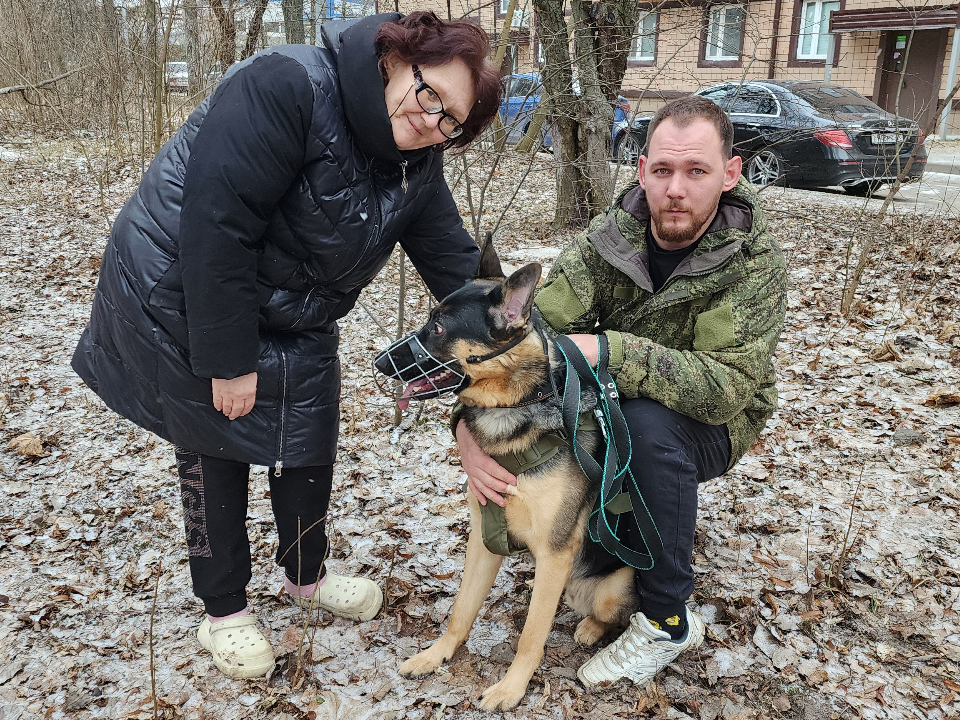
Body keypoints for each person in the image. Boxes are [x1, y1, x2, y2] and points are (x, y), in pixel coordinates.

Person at [71, 11, 501, 679]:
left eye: (452, 120)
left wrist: (520, 340)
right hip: (187, 283)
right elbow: (218, 225)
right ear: (395, 60)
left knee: (308, 434)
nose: (431, 121)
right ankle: (224, 610)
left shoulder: (417, 163)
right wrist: (229, 359)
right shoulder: (287, 86)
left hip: (294, 307)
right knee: (218, 438)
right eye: (429, 95)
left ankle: (305, 575)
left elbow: (454, 261)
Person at [457, 95, 787, 686]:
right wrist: (465, 429)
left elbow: (727, 388)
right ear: (641, 170)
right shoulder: (609, 237)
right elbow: (532, 339)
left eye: (697, 171)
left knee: (644, 428)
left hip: (715, 421)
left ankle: (665, 616)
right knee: (603, 425)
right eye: (662, 171)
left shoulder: (753, 260)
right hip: (612, 400)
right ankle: (607, 545)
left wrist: (611, 351)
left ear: (730, 174)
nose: (676, 190)